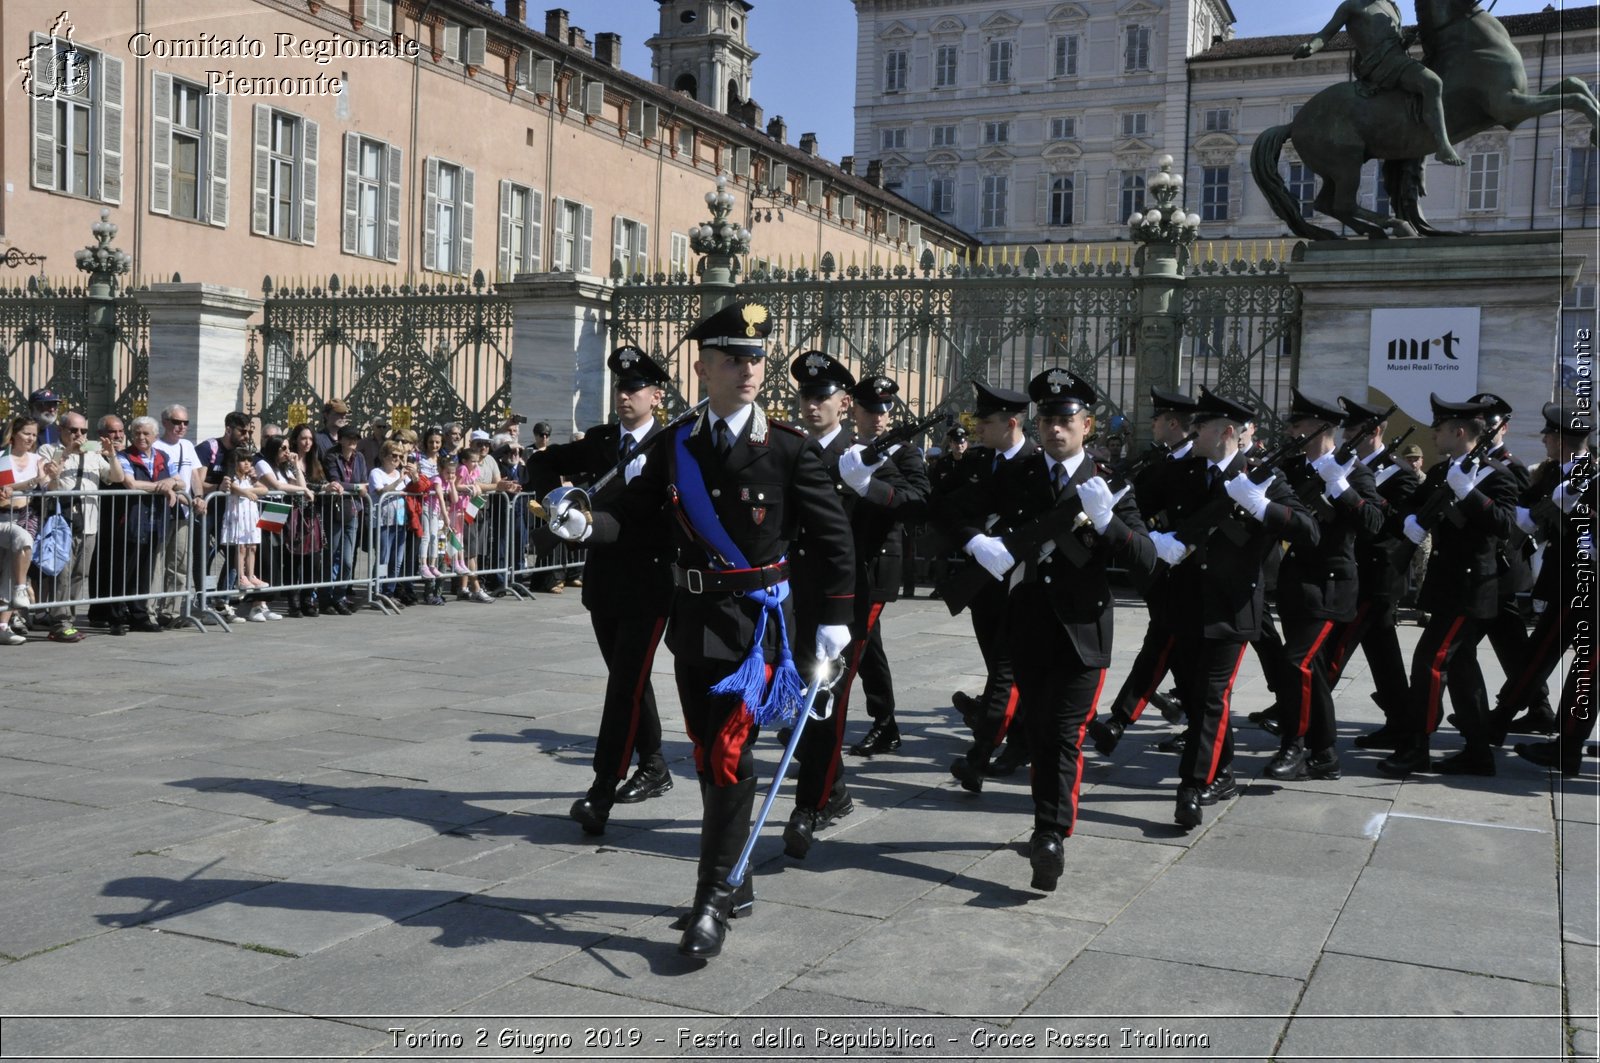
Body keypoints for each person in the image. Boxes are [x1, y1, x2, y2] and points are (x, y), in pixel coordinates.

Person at [550, 300, 854, 961]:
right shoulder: (677, 444)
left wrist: (832, 627)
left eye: (756, 358)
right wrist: (587, 527)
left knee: (724, 751)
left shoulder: (787, 451)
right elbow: (632, 518)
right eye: (734, 358)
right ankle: (735, 867)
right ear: (703, 366)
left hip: (755, 632)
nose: (749, 369)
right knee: (712, 756)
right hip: (692, 626)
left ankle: (712, 896)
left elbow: (835, 544)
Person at [943, 369, 1155, 889]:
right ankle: (1047, 826)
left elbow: (1147, 559)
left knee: (1063, 736)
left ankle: (1049, 835)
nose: (1055, 430)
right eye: (1047, 420)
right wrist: (976, 543)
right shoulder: (1019, 474)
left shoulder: (1106, 483)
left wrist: (1110, 524)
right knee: (1038, 734)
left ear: (1087, 425)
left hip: (1082, 632)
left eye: (1065, 421)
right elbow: (950, 507)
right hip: (1027, 626)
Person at [1144, 388, 1318, 828]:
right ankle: (1221, 772)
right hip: (1183, 603)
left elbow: (1308, 530)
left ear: (1224, 432)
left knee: (1211, 696)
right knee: (1199, 699)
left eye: (1198, 426)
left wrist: (1262, 507)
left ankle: (1192, 785)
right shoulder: (1182, 472)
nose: (1191, 431)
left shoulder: (1262, 478)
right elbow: (1136, 503)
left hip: (1231, 608)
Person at [782, 356, 925, 858]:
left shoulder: (866, 455)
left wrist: (868, 486)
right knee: (806, 690)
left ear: (845, 404)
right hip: (798, 588)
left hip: (849, 593)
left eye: (822, 396)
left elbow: (917, 501)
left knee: (828, 698)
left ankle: (810, 804)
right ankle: (835, 790)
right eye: (806, 395)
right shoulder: (791, 450)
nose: (812, 404)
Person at [541, 346, 679, 836]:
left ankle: (601, 792)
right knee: (629, 679)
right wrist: (550, 508)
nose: (626, 396)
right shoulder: (601, 441)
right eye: (621, 388)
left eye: (635, 388)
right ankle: (656, 764)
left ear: (656, 396)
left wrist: (593, 523)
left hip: (651, 582)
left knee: (624, 684)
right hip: (604, 582)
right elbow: (546, 464)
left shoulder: (672, 444)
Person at [1377, 394, 1520, 777]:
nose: (1434, 434)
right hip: (1446, 587)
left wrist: (1469, 494)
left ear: (1459, 432)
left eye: (1439, 428)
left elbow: (1506, 526)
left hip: (1470, 590)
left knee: (1429, 663)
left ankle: (1416, 745)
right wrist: (1409, 520)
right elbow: (1413, 502)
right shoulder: (1443, 472)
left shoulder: (1496, 475)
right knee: (1461, 668)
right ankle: (1478, 751)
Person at [1262, 390, 1384, 782]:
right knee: (1310, 669)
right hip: (1297, 583)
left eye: (1298, 424)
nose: (1291, 431)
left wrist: (1342, 489)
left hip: (1331, 586)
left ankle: (1293, 746)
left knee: (1294, 662)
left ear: (1322, 427)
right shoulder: (1293, 468)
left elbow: (1375, 525)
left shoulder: (1354, 471)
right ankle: (1326, 752)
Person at [937, 381, 1038, 788]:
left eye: (986, 420)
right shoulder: (978, 461)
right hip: (983, 586)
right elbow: (945, 505)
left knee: (1007, 672)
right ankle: (1019, 741)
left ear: (1011, 423)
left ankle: (988, 751)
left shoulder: (1037, 462)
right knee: (1001, 669)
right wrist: (974, 537)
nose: (977, 427)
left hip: (1021, 585)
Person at [1087, 387, 1198, 756]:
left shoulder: (1200, 461)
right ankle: (1189, 719)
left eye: (1156, 419)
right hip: (1161, 572)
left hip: (1194, 573)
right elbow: (1139, 503)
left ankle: (1120, 720)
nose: (1151, 424)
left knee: (1164, 647)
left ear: (1171, 423)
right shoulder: (1158, 460)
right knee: (1171, 648)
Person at [1324, 398, 1423, 750]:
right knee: (1383, 655)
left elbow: (1394, 528)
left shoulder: (1399, 475)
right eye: (1345, 430)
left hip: (1376, 577)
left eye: (1352, 431)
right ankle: (1402, 721)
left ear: (1375, 432)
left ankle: (1303, 712)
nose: (1346, 437)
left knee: (1336, 649)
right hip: (1353, 572)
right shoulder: (1346, 465)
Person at [1502, 402, 1594, 774]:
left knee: (1585, 671)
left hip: (1587, 587)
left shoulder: (1588, 475)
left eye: (1548, 434)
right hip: (1568, 580)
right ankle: (1520, 718)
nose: (1543, 439)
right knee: (1547, 656)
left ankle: (1567, 747)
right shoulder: (1556, 473)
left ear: (1561, 438)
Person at [841, 374, 930, 760]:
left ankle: (822, 724)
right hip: (843, 560)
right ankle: (885, 723)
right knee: (867, 646)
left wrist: (876, 469)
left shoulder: (905, 454)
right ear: (853, 409)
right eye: (870, 409)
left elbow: (918, 503)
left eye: (885, 410)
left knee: (853, 646)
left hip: (877, 564)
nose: (878, 417)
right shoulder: (843, 449)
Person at [1293, 0, 1464, 166]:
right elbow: (1325, 34)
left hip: (1399, 59)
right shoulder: (1351, 6)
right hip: (1380, 64)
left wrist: (1404, 42)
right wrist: (1310, 46)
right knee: (1433, 83)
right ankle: (1443, 146)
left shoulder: (1392, 7)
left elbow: (1393, 39)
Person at [38, 409, 124, 642]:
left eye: (83, 431)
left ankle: (69, 619)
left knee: (79, 574)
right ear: (61, 430)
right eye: (73, 430)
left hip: (89, 522)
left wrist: (112, 455)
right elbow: (48, 481)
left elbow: (116, 478)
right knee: (62, 574)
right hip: (62, 522)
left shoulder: (93, 454)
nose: (78, 435)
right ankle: (59, 622)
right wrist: (67, 452)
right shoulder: (48, 450)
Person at [110, 416, 181, 635]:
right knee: (124, 569)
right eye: (137, 433)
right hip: (132, 518)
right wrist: (163, 487)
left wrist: (170, 483)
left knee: (145, 570)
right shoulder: (125, 456)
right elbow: (131, 483)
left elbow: (180, 480)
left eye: (146, 433)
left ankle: (139, 614)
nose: (141, 437)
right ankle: (117, 616)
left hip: (156, 520)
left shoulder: (163, 456)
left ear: (155, 437)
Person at [0, 417, 58, 643]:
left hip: (26, 518)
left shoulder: (38, 459)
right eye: (26, 433)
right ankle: (21, 589)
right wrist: (27, 483)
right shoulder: (3, 458)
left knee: (9, 569)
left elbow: (48, 487)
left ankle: (3, 624)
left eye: (34, 434)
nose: (31, 438)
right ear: (14, 434)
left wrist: (53, 476)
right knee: (11, 557)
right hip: (3, 517)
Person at [153, 404, 206, 626]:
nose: (181, 427)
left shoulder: (187, 445)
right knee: (158, 562)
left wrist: (200, 496)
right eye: (176, 422)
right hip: (162, 511)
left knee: (180, 563)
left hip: (184, 512)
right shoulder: (156, 445)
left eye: (185, 423)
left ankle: (172, 611)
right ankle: (152, 608)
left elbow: (194, 474)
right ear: (165, 422)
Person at [323, 425, 369, 613]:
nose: (353, 442)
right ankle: (327, 597)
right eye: (349, 438)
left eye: (356, 439)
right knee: (332, 554)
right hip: (335, 509)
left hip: (353, 510)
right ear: (340, 439)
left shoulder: (360, 458)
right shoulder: (331, 456)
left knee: (348, 559)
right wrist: (357, 488)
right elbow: (335, 482)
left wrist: (355, 487)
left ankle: (340, 595)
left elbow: (365, 482)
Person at [368, 441, 414, 602]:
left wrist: (413, 475)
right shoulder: (376, 472)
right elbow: (381, 491)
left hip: (400, 520)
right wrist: (398, 481)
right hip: (382, 521)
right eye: (393, 455)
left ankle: (389, 592)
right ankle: (377, 592)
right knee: (383, 559)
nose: (396, 459)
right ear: (383, 455)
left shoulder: (401, 474)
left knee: (397, 560)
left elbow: (415, 488)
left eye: (400, 456)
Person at [222, 450, 270, 595]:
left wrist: (249, 488)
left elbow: (265, 489)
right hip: (237, 514)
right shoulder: (232, 477)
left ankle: (251, 575)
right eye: (243, 460)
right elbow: (233, 488)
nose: (247, 463)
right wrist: (246, 493)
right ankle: (241, 576)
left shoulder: (250, 479)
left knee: (252, 546)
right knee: (241, 547)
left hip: (250, 515)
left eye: (249, 460)